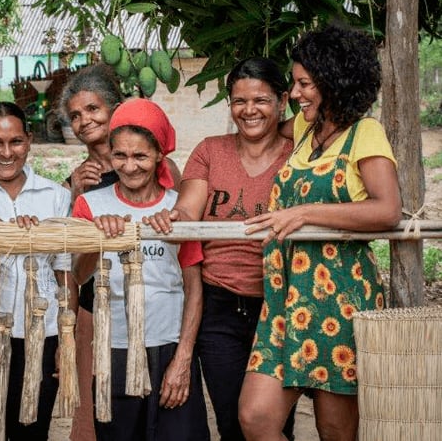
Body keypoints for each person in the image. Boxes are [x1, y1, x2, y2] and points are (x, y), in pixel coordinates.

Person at [238, 24, 401, 441]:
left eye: (304, 83)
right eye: (295, 84)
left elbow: (387, 210)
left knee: (335, 432)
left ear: (334, 81)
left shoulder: (365, 134)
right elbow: (256, 123)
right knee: (256, 419)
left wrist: (307, 212)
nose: (295, 94)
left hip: (339, 301)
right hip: (284, 298)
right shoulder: (304, 129)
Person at [144, 57, 297, 441]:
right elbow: (188, 209)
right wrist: (173, 217)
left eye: (261, 100)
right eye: (239, 101)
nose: (249, 110)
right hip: (220, 308)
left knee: (274, 423)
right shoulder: (210, 150)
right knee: (232, 422)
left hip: (280, 303)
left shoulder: (299, 153)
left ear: (282, 101)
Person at [72, 98, 208, 441]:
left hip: (169, 346)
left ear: (160, 155)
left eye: (141, 156)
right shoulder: (91, 205)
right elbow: (78, 275)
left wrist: (182, 360)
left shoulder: (177, 210)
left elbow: (193, 288)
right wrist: (98, 239)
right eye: (120, 155)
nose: (129, 166)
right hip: (113, 350)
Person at [58, 64, 182, 441]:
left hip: (155, 303)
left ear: (115, 109)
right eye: (75, 115)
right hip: (97, 305)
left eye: (93, 109)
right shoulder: (80, 176)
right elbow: (68, 248)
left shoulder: (152, 163)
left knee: (150, 408)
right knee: (95, 406)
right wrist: (74, 187)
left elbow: (175, 216)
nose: (84, 121)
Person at [0, 101, 76, 441]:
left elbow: (65, 273)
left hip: (44, 332)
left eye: (16, 142)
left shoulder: (53, 195)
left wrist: (67, 341)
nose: (6, 153)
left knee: (32, 429)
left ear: (30, 140)